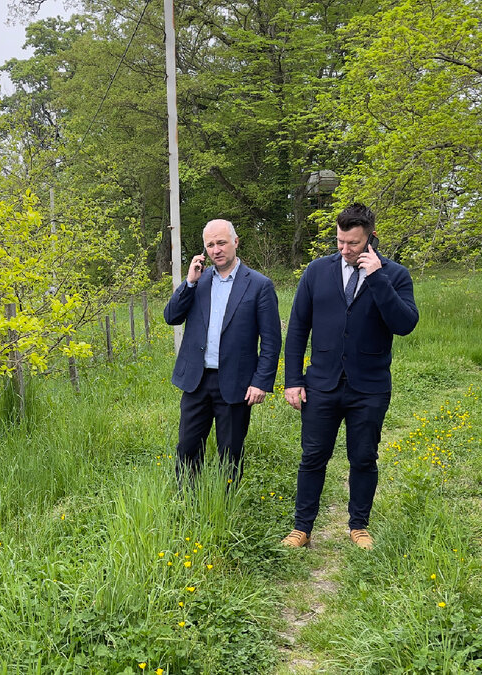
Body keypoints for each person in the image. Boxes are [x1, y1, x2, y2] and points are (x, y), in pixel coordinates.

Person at [280, 203, 418, 550]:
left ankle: (359, 526)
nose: (344, 249)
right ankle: (302, 529)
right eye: (340, 241)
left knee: (363, 457)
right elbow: (297, 329)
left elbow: (404, 324)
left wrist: (377, 278)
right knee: (312, 457)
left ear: (370, 237)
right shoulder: (316, 271)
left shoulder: (394, 275)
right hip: (321, 384)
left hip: (369, 387)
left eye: (353, 243)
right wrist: (293, 380)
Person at [164, 219, 282, 486]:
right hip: (196, 380)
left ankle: (225, 505)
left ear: (236, 242)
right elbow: (171, 317)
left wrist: (261, 381)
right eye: (210, 245)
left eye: (221, 243)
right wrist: (189, 283)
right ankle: (187, 501)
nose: (216, 250)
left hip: (236, 382)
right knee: (187, 447)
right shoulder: (199, 280)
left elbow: (272, 341)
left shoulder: (259, 285)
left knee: (230, 451)